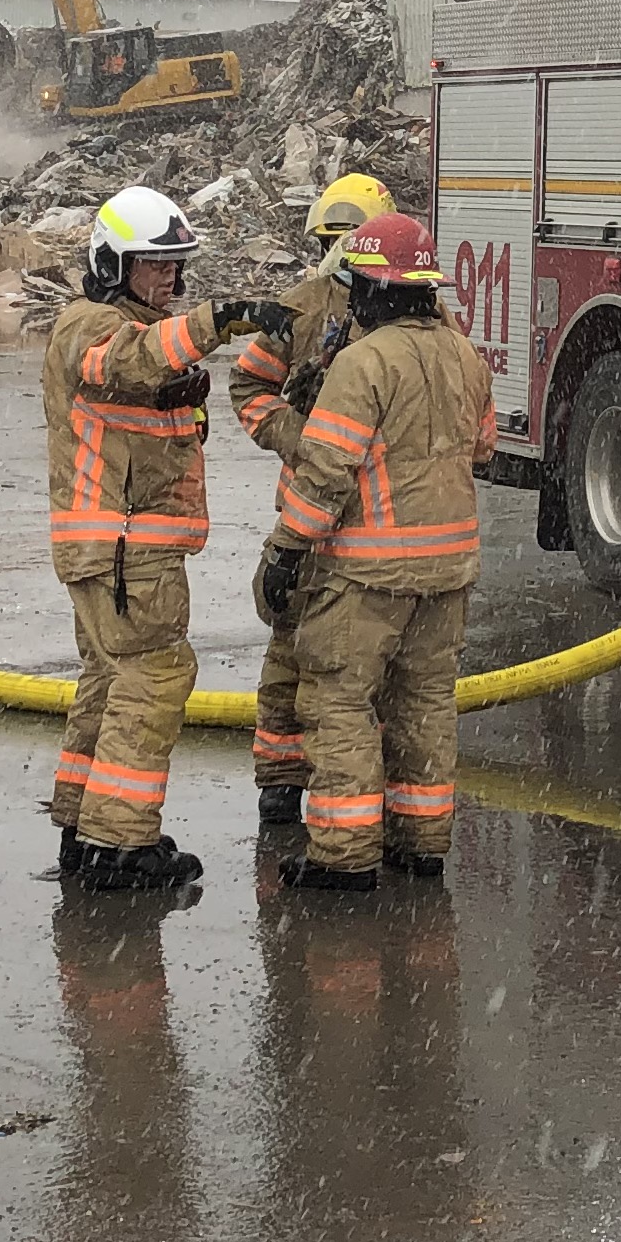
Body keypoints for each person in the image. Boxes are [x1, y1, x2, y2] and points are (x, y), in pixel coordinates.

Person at [44, 185, 280, 892]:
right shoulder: (92, 325)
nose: (169, 279)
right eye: (154, 265)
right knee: (155, 678)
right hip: (126, 549)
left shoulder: (132, 330)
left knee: (108, 680)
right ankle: (121, 844)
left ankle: (84, 829)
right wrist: (220, 320)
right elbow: (128, 359)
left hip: (114, 549)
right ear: (113, 265)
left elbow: (142, 384)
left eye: (176, 265)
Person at [247, 211, 492, 892]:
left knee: (339, 701)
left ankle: (345, 852)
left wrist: (287, 550)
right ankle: (420, 842)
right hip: (449, 571)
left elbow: (325, 471)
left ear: (377, 290)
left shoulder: (363, 363)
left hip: (368, 571)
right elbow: (483, 448)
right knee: (424, 703)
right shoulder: (466, 356)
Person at [226, 172, 394, 840]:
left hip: (376, 522)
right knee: (291, 655)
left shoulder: (411, 312)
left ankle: (358, 797)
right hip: (309, 517)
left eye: (351, 241)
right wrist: (296, 439)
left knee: (360, 669)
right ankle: (282, 787)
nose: (340, 255)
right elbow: (248, 384)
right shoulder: (302, 307)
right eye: (332, 242)